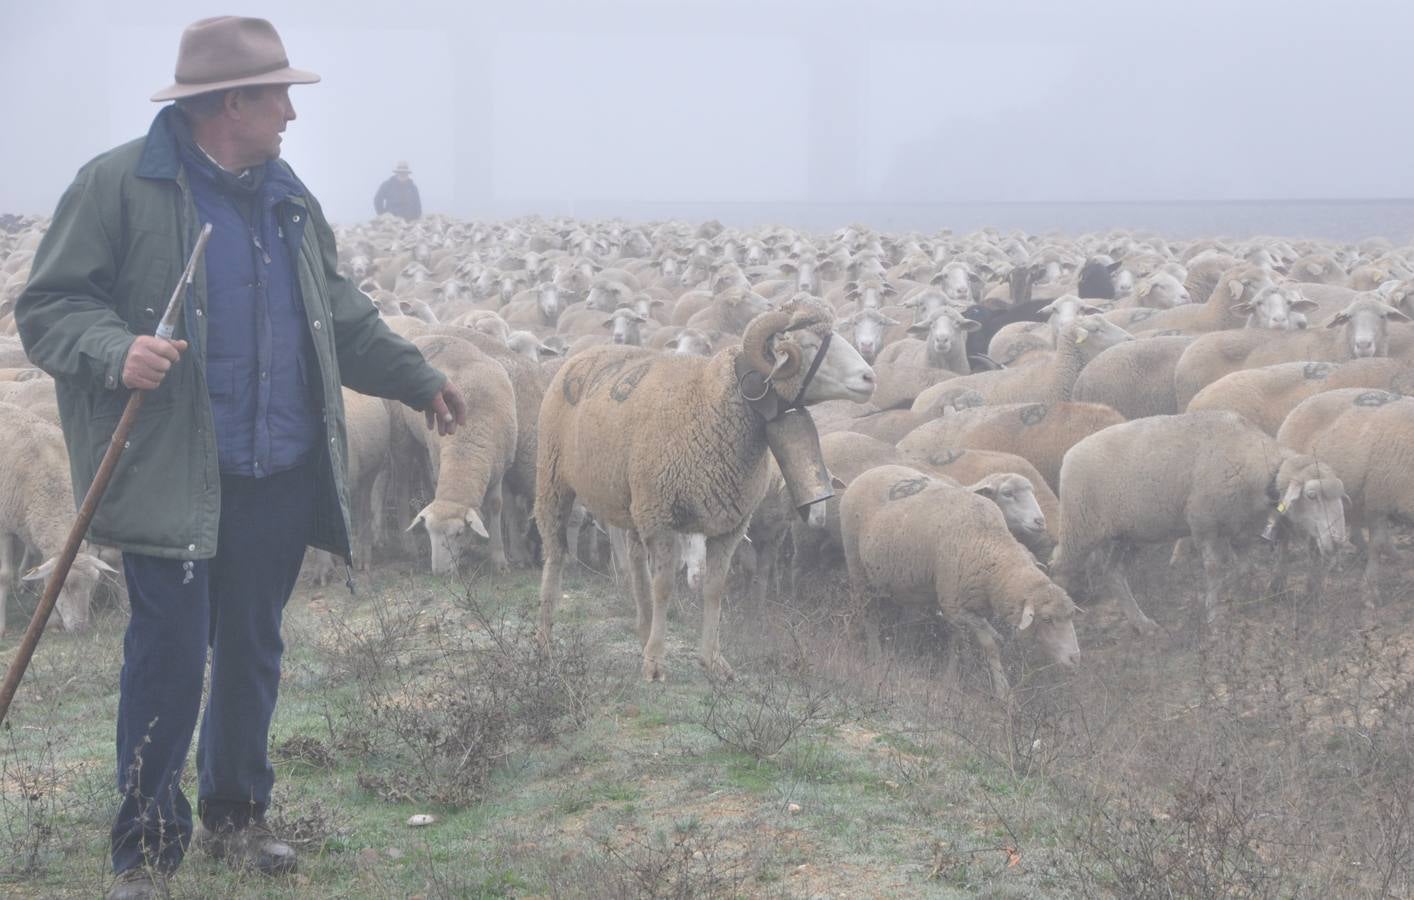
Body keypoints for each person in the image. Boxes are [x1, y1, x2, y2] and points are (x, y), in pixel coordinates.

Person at [14, 17, 466, 900]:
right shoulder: (117, 187)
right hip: (174, 473)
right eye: (280, 96)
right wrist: (117, 349)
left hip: (277, 466)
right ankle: (144, 851)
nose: (292, 114)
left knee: (254, 646)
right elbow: (49, 308)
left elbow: (338, 314)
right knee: (168, 657)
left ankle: (236, 814)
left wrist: (417, 377)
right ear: (232, 104)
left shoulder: (284, 194)